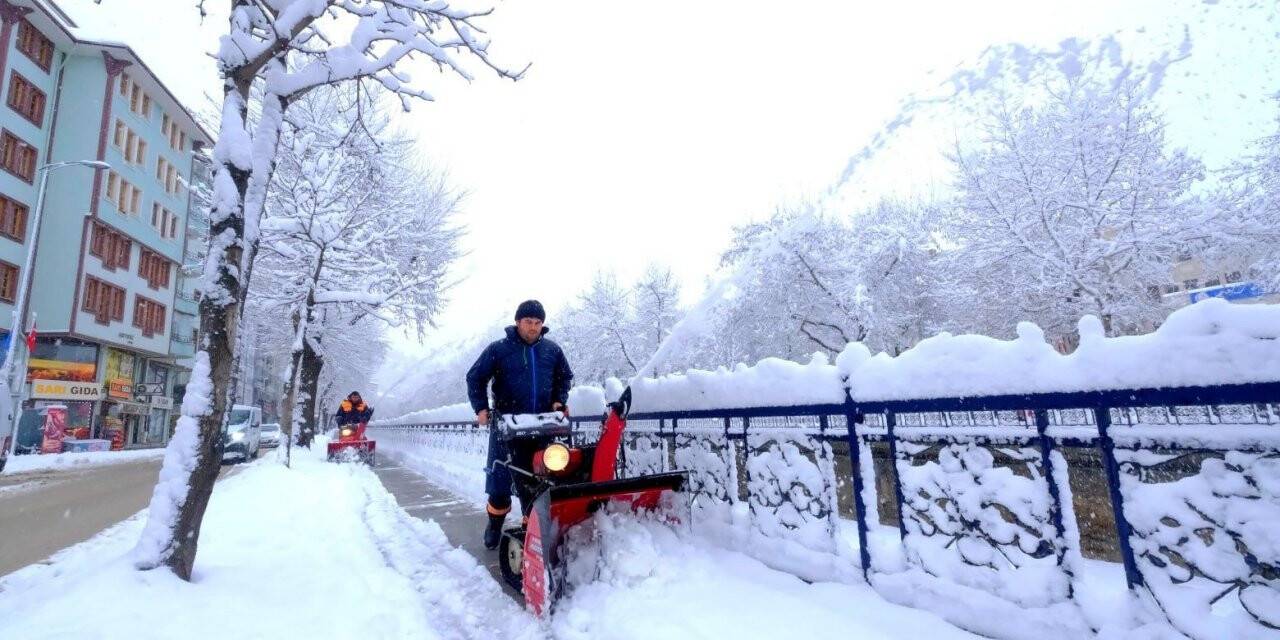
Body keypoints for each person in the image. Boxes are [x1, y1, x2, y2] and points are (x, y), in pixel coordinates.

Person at [466, 299, 574, 549]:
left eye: (538, 323)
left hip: (542, 426)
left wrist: (559, 400)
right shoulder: (499, 349)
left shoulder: (552, 351)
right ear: (517, 322)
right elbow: (475, 377)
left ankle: (533, 534)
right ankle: (495, 523)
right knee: (501, 481)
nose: (533, 327)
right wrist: (481, 408)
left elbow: (564, 377)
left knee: (540, 479)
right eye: (528, 322)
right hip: (507, 426)